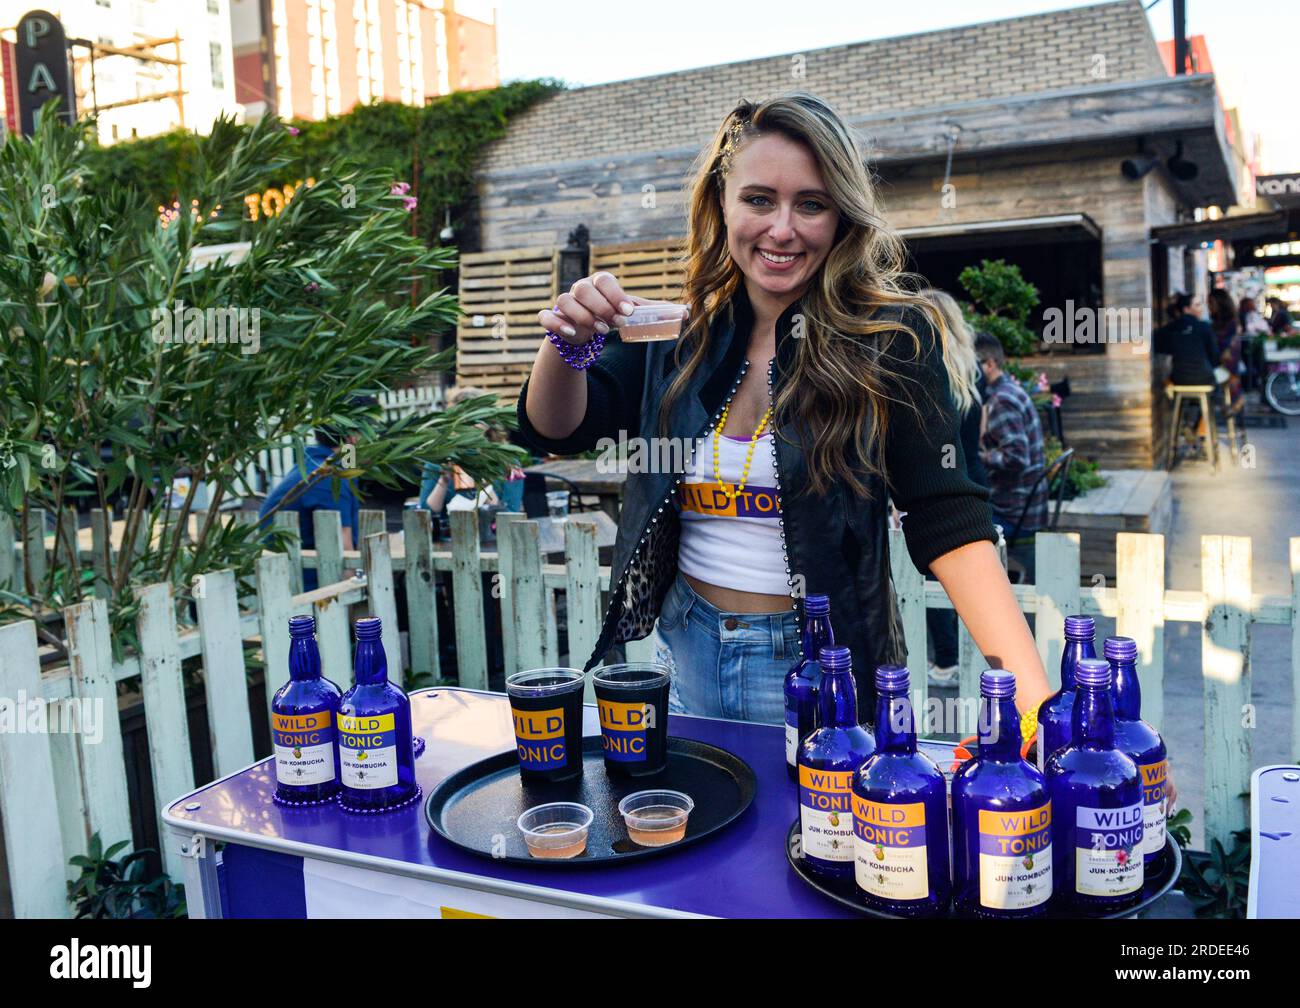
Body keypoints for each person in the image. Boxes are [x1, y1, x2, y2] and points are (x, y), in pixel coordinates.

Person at [516, 92, 1051, 728]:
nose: (782, 228)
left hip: (819, 668)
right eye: (759, 199)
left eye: (812, 204)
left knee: (820, 830)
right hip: (681, 654)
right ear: (722, 202)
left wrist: (1038, 705)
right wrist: (566, 345)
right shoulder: (678, 339)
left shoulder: (892, 341)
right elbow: (555, 426)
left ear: (843, 216)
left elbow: (949, 519)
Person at [919, 289, 988, 687]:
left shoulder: (929, 373)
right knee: (973, 575)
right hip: (975, 480)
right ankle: (975, 658)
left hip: (940, 487)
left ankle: (946, 662)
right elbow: (978, 433)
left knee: (936, 578)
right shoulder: (971, 371)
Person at [973, 333, 1048, 583]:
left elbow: (1016, 458)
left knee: (957, 525)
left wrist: (978, 457)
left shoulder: (1001, 400)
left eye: (973, 364)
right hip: (1026, 503)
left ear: (990, 364)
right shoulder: (1008, 390)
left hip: (1016, 512)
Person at [258, 426, 361, 592]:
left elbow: (349, 463)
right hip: (309, 591)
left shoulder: (313, 464)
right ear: (353, 438)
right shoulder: (330, 478)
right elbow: (344, 553)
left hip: (283, 581)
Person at [418, 386, 526, 529]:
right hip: (449, 540)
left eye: (476, 418)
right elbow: (426, 513)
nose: (470, 424)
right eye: (463, 418)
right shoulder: (439, 459)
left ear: (489, 421)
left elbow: (511, 515)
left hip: (493, 541)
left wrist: (486, 487)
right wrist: (443, 480)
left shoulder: (509, 462)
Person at [1208, 288, 1243, 414]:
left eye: (1211, 303)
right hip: (1222, 365)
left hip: (1225, 365)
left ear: (1220, 303)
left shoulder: (1229, 323)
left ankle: (1236, 399)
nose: (1209, 306)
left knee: (1212, 382)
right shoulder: (1218, 322)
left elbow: (1225, 347)